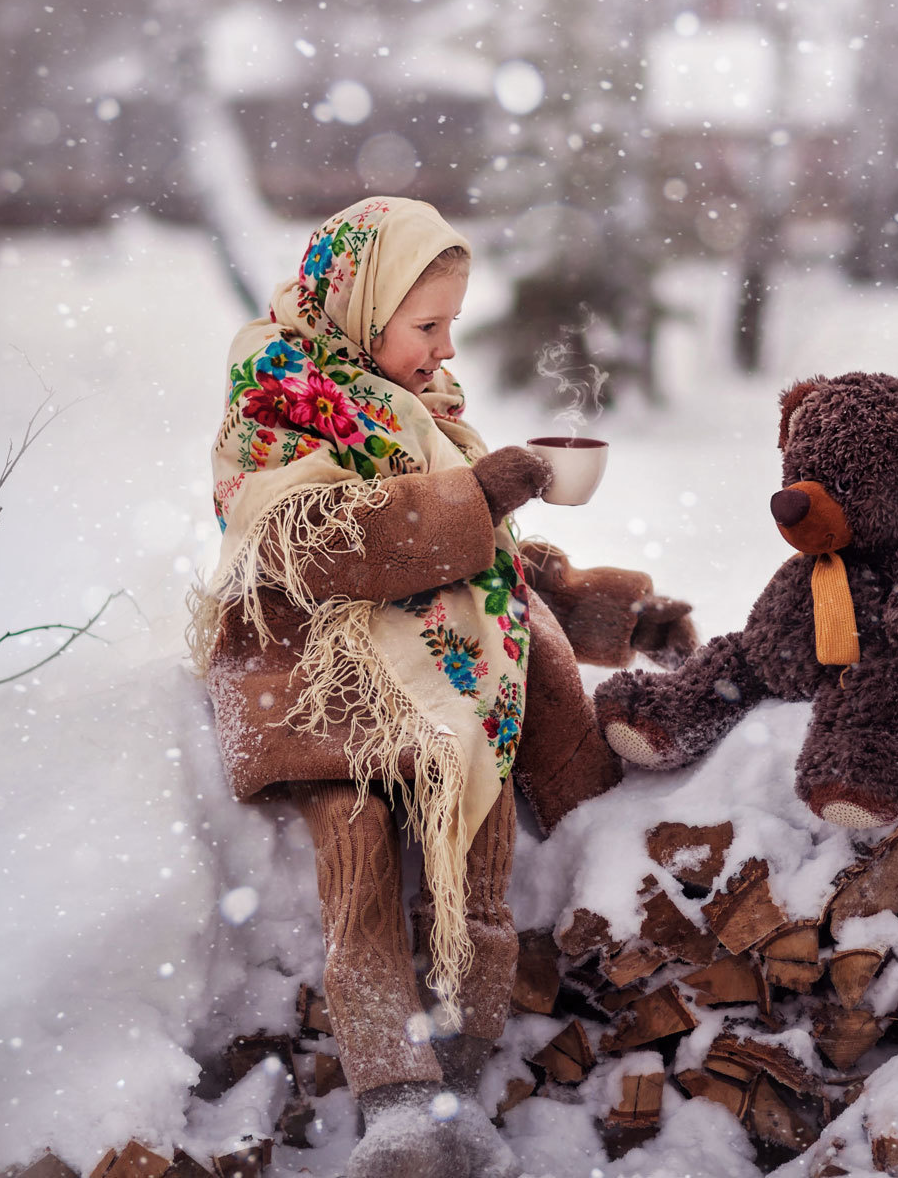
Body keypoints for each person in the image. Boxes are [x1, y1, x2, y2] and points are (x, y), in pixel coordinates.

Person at [188, 196, 694, 1178]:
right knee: (359, 849)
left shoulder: (421, 410)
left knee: (479, 812)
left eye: (452, 323)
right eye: (427, 324)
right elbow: (311, 545)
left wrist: (615, 617)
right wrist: (475, 494)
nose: (445, 348)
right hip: (318, 672)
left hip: (440, 664)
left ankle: (460, 1056)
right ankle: (395, 1100)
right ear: (360, 307)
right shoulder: (277, 399)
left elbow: (490, 564)